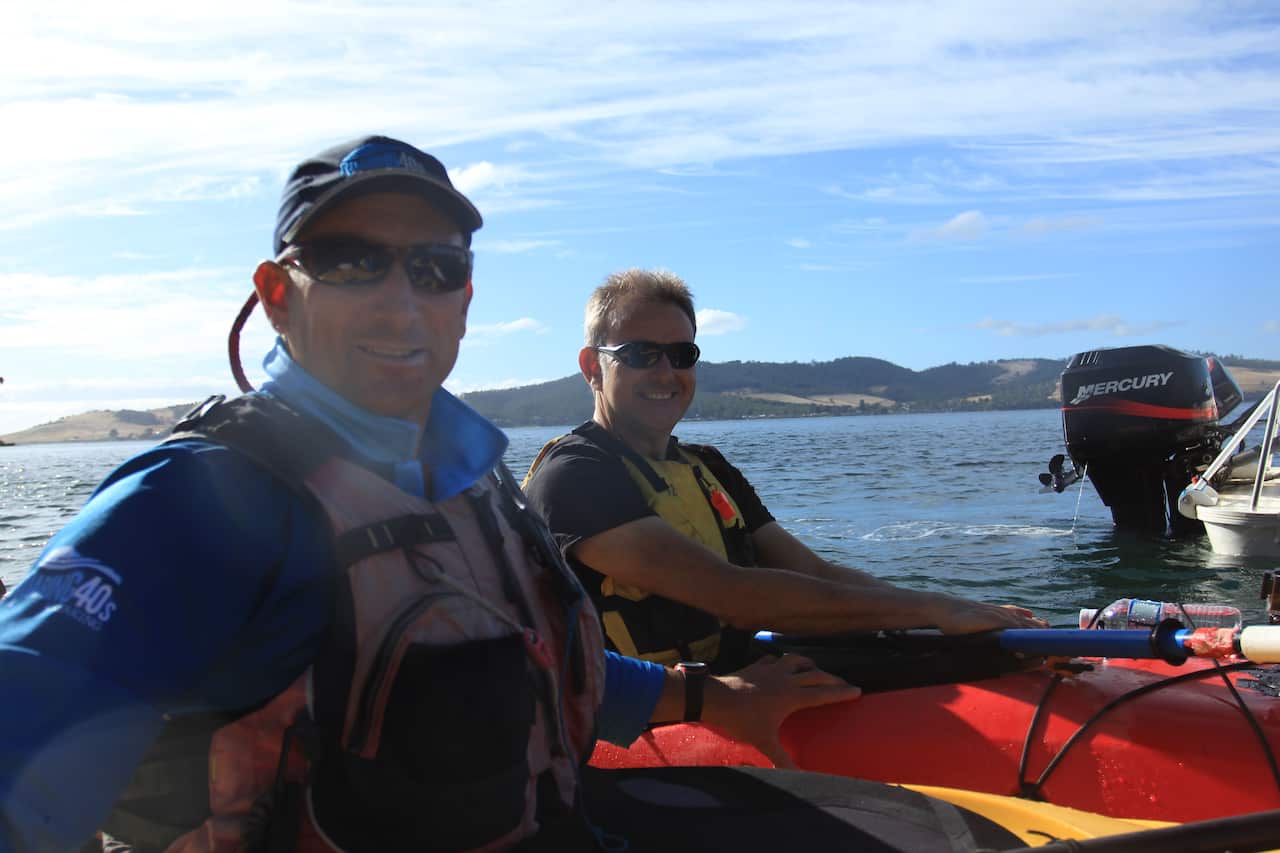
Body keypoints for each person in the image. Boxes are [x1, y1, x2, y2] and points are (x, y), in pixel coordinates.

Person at [0, 138, 864, 852]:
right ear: (274, 296)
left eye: (434, 268)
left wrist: (716, 698)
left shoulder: (474, 476)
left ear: (465, 301)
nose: (398, 303)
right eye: (350, 262)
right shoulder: (201, 498)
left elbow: (540, 665)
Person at [522, 269, 1045, 673]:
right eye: (641, 354)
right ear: (593, 366)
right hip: (645, 713)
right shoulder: (574, 476)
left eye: (681, 354)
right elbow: (733, 595)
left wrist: (950, 610)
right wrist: (932, 609)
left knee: (980, 659)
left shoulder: (707, 467)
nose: (666, 372)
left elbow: (812, 573)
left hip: (734, 675)